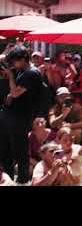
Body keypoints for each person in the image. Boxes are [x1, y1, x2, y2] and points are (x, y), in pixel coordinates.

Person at [0, 46, 44, 185]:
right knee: (5, 148)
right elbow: (14, 94)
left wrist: (11, 77)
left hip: (21, 117)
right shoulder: (21, 71)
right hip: (10, 115)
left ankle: (23, 180)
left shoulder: (32, 73)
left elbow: (15, 93)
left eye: (15, 61)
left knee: (20, 151)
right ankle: (8, 178)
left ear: (24, 59)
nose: (13, 64)